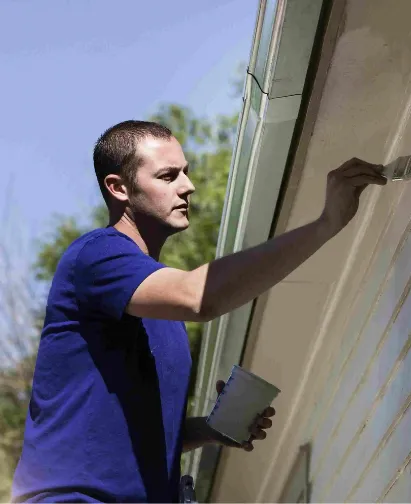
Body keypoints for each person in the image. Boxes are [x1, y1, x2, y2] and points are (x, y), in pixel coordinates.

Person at [11, 120, 387, 503]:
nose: (187, 186)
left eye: (186, 172)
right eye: (169, 175)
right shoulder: (96, 256)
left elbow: (140, 432)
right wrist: (325, 224)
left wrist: (210, 428)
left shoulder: (163, 317)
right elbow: (199, 297)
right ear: (119, 188)